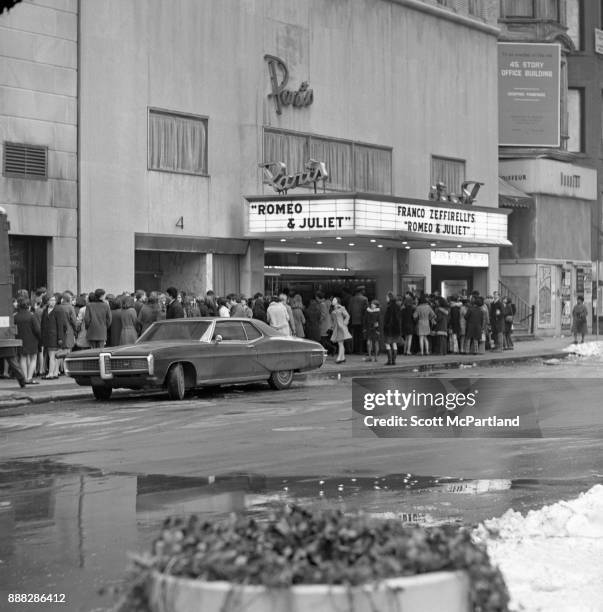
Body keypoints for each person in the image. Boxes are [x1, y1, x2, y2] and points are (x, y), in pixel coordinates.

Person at [41, 294, 68, 379]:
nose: (52, 302)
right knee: (54, 356)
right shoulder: (45, 310)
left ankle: (51, 373)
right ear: (47, 301)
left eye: (54, 300)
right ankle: (55, 372)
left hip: (55, 336)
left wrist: (60, 338)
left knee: (52, 355)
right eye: (50, 300)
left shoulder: (58, 310)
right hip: (48, 336)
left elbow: (62, 325)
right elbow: (42, 324)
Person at [14, 297, 41, 384]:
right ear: (28, 306)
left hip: (20, 340)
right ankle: (29, 378)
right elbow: (37, 330)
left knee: (23, 358)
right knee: (33, 358)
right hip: (32, 340)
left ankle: (24, 378)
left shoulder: (15, 316)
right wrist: (39, 338)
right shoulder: (32, 316)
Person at [330, 296, 351, 363]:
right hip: (336, 328)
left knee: (340, 343)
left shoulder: (341, 308)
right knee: (340, 343)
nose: (333, 301)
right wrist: (332, 327)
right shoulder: (333, 309)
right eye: (333, 300)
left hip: (341, 327)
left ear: (338, 301)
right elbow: (333, 320)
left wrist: (345, 323)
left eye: (334, 300)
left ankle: (339, 358)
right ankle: (343, 357)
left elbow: (347, 315)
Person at [347, 286, 368, 354]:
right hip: (362, 320)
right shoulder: (364, 299)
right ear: (361, 291)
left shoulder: (351, 299)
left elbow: (349, 310)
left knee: (355, 335)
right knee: (361, 335)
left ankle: (355, 349)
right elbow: (366, 310)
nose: (364, 292)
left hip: (353, 320)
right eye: (364, 290)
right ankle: (360, 350)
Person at [383, 292, 402, 364]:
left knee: (387, 344)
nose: (386, 298)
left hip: (389, 329)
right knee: (394, 344)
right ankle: (394, 361)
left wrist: (386, 326)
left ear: (389, 298)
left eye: (387, 297)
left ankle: (389, 360)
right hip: (396, 329)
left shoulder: (389, 307)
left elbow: (388, 319)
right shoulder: (397, 306)